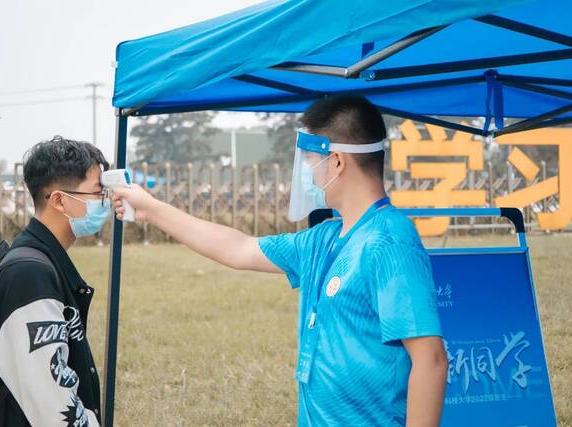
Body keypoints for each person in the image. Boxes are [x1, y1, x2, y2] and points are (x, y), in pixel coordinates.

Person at [112, 95, 448, 426]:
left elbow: (430, 360)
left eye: (310, 161)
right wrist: (152, 210)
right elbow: (238, 248)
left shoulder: (389, 240)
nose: (307, 174)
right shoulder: (325, 238)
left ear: (337, 161)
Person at [0, 136, 109, 426]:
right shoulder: (30, 275)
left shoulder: (44, 261)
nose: (105, 202)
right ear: (59, 200)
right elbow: (51, 405)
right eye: (97, 193)